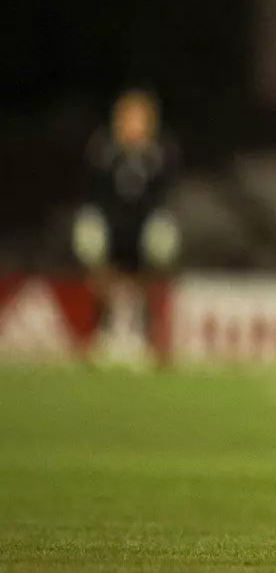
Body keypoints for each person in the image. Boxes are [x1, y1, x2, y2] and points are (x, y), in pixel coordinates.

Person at [73, 89, 180, 366]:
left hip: (144, 225)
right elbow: (91, 192)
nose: (134, 123)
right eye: (128, 117)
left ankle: (144, 334)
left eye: (139, 118)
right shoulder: (103, 149)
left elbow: (165, 196)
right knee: (97, 260)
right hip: (111, 223)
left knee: (152, 260)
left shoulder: (160, 152)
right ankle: (104, 331)